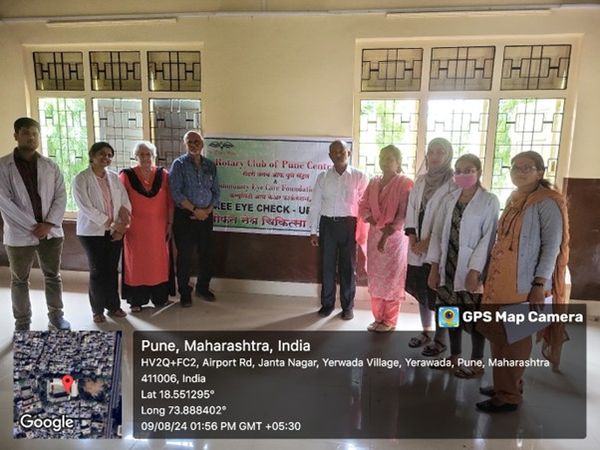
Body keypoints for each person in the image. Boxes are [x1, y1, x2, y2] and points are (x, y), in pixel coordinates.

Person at [476, 151, 569, 413]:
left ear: (540, 172)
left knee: (515, 341)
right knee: (498, 338)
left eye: (527, 167)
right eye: (515, 167)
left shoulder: (547, 203)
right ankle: (504, 385)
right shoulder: (515, 197)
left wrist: (539, 285)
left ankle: (509, 396)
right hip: (500, 283)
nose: (519, 171)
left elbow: (551, 248)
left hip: (525, 287)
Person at [427, 154, 499, 376]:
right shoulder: (449, 199)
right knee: (450, 315)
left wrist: (475, 270)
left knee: (475, 318)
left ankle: (477, 363)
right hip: (447, 269)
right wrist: (433, 267)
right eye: (458, 170)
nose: (463, 174)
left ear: (478, 172)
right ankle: (454, 357)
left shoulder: (489, 200)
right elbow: (438, 234)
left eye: (468, 170)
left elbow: (488, 238)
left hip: (470, 269)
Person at [0, 117, 70, 331]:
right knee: (20, 280)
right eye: (25, 133)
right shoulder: (3, 166)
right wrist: (34, 226)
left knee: (52, 276)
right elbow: (5, 201)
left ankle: (56, 317)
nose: (31, 137)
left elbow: (61, 196)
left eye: (34, 133)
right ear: (16, 136)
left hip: (51, 232)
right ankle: (22, 322)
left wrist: (48, 224)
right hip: (20, 234)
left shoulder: (50, 165)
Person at [405, 137, 457, 355]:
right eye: (431, 152)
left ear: (448, 155)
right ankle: (426, 332)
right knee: (423, 292)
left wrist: (428, 242)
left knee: (444, 296)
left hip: (442, 249)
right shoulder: (420, 181)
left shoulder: (454, 184)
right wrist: (413, 238)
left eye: (440, 152)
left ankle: (443, 339)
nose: (435, 156)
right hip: (418, 247)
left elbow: (450, 218)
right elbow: (411, 210)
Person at [308, 140, 368, 320]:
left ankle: (347, 307)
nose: (338, 154)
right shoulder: (323, 177)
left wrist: (362, 232)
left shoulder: (359, 176)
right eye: (334, 152)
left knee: (348, 268)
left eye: (341, 151)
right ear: (329, 156)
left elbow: (365, 205)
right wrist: (313, 231)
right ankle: (327, 304)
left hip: (350, 226)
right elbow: (316, 204)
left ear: (348, 153)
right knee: (327, 267)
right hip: (328, 226)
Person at [73, 142, 131, 323]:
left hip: (115, 231)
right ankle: (97, 309)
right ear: (92, 155)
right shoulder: (81, 179)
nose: (106, 158)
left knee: (112, 270)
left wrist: (122, 226)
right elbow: (87, 208)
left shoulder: (114, 178)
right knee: (98, 270)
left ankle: (113, 306)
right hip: (92, 233)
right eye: (102, 154)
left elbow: (124, 202)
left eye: (109, 155)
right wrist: (113, 224)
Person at [358, 145, 413, 332]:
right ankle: (378, 318)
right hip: (374, 236)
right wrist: (370, 218)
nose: (385, 162)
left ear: (398, 162)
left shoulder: (405, 183)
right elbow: (363, 204)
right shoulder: (374, 182)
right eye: (382, 158)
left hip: (394, 239)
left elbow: (404, 213)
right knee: (375, 277)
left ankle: (389, 320)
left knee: (392, 279)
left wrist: (387, 232)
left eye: (390, 158)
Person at [119, 141, 174, 312]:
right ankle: (137, 300)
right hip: (135, 229)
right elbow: (120, 202)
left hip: (159, 228)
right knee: (136, 263)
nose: (145, 157)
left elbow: (170, 202)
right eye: (141, 154)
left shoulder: (163, 174)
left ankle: (160, 298)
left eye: (148, 154)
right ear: (135, 157)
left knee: (159, 262)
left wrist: (170, 223)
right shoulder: (126, 176)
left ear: (153, 156)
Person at [169, 131, 220, 307]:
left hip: (206, 216)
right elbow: (176, 192)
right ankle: (184, 292)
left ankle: (203, 288)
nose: (193, 144)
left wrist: (206, 211)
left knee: (206, 254)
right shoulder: (179, 165)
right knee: (185, 256)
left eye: (196, 141)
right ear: (185, 144)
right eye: (189, 141)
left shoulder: (210, 165)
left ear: (202, 144)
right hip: (185, 217)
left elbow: (216, 192)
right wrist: (195, 210)